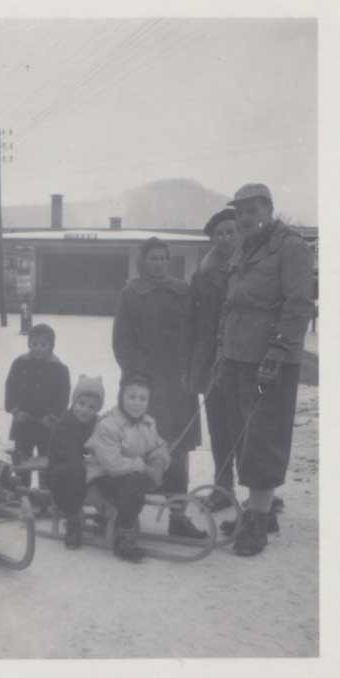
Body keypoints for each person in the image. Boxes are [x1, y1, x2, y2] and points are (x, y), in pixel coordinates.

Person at [217, 183, 314, 556]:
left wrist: (278, 352)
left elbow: (298, 304)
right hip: (239, 355)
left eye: (252, 211)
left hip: (270, 360)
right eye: (239, 212)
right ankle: (260, 509)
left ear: (269, 210)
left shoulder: (290, 248)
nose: (244, 218)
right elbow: (233, 304)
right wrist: (222, 348)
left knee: (264, 436)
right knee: (244, 434)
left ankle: (256, 520)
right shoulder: (245, 247)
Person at [112, 237, 206, 538]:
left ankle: (177, 517)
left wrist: (190, 369)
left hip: (178, 383)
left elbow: (195, 332)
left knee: (178, 449)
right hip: (144, 386)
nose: (159, 263)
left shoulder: (182, 291)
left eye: (164, 258)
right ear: (142, 262)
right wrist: (137, 377)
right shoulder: (130, 293)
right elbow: (122, 341)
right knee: (139, 445)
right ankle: (127, 513)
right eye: (153, 258)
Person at [185, 209, 239, 511]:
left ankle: (263, 494)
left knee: (249, 428)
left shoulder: (252, 268)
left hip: (245, 361)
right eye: (219, 234)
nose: (226, 238)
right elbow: (193, 322)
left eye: (231, 232)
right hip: (211, 363)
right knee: (219, 427)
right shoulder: (203, 274)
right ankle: (222, 487)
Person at [84, 373, 170, 562]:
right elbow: (113, 465)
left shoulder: (148, 423)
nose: (136, 403)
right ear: (121, 397)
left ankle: (178, 515)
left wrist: (158, 462)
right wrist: (145, 468)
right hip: (101, 479)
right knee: (134, 480)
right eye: (131, 397)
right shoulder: (108, 425)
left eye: (142, 398)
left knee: (173, 465)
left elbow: (158, 445)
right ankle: (125, 534)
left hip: (130, 474)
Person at [5, 323, 71, 488]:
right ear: (29, 344)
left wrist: (54, 416)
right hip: (23, 423)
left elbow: (63, 396)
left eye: (43, 345)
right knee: (22, 461)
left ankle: (45, 493)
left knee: (47, 462)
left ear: (51, 346)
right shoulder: (20, 364)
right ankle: (22, 493)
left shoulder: (59, 369)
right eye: (34, 344)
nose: (38, 349)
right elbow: (10, 387)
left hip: (47, 425)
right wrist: (15, 410)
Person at [48, 375, 105, 550]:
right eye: (81, 404)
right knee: (74, 471)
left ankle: (106, 515)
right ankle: (73, 520)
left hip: (86, 469)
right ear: (73, 402)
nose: (85, 410)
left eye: (92, 407)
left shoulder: (98, 423)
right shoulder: (64, 424)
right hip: (62, 472)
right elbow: (70, 455)